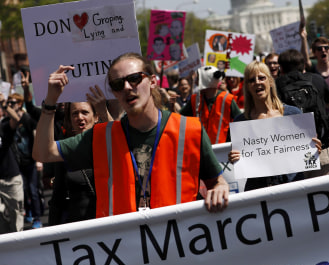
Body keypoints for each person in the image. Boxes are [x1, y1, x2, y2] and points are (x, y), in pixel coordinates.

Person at [33, 53, 229, 215]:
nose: (127, 87)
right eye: (118, 84)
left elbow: (216, 180)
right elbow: (44, 153)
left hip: (183, 245)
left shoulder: (190, 130)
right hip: (127, 252)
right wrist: (50, 101)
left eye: (134, 79)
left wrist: (221, 187)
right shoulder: (101, 137)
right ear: (114, 92)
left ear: (153, 81)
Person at [228, 61, 321, 190]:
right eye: (251, 80)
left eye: (261, 78)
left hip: (292, 187)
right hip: (258, 190)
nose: (257, 82)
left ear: (270, 82)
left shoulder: (293, 114)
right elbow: (239, 159)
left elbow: (307, 156)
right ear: (248, 87)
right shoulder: (240, 122)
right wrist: (234, 158)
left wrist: (314, 149)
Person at [276, 49, 329, 176]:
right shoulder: (317, 80)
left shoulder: (275, 86)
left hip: (291, 155)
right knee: (327, 192)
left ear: (281, 68)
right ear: (303, 65)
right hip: (321, 149)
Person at [48, 101, 98, 225]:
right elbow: (57, 197)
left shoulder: (109, 144)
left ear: (96, 117)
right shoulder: (64, 150)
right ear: (69, 120)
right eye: (75, 114)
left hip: (110, 223)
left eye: (85, 112)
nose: (80, 117)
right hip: (78, 226)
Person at [180, 66, 242, 144]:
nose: (196, 82)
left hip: (222, 149)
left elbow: (241, 122)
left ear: (206, 80)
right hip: (200, 148)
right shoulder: (195, 99)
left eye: (198, 79)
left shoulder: (227, 99)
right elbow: (179, 117)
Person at [7, 93, 42, 228]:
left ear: (20, 104)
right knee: (24, 190)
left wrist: (39, 159)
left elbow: (36, 137)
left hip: (31, 161)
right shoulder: (9, 120)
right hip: (18, 162)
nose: (10, 105)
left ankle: (37, 218)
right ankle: (28, 212)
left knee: (33, 190)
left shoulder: (28, 119)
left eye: (13, 102)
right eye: (9, 103)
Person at [0, 102, 24, 234]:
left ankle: (18, 243)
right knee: (1, 215)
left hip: (11, 179)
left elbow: (16, 119)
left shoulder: (3, 127)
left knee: (17, 214)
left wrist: (4, 105)